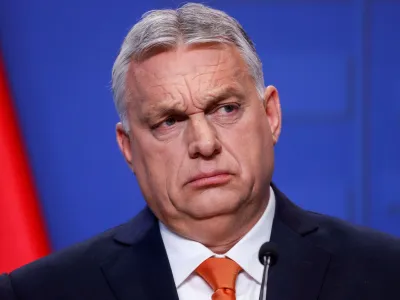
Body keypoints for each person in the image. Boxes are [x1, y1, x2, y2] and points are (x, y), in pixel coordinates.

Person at [1, 3, 399, 300]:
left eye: (225, 109)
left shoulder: (386, 273)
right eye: (168, 121)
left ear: (271, 115)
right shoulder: (39, 293)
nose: (204, 144)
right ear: (128, 148)